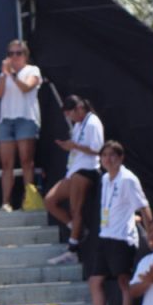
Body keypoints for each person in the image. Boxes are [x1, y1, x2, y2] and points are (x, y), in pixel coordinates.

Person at [80, 140, 149, 305]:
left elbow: (143, 206)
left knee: (123, 281)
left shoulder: (128, 179)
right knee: (95, 281)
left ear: (121, 158)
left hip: (122, 238)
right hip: (105, 236)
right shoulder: (104, 179)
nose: (108, 159)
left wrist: (152, 235)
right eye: (104, 155)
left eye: (112, 155)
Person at [45, 96, 104, 266]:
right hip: (73, 170)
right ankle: (78, 230)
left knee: (75, 209)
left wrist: (75, 146)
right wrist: (69, 146)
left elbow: (98, 150)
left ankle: (72, 250)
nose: (69, 118)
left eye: (70, 113)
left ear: (79, 109)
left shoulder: (93, 123)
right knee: (50, 200)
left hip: (87, 170)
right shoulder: (79, 124)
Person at [0, 39, 41, 212]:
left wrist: (12, 75)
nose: (14, 57)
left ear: (25, 55)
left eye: (18, 53)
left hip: (25, 118)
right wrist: (5, 75)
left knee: (26, 161)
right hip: (6, 120)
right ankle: (6, 202)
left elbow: (27, 87)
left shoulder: (32, 70)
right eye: (11, 53)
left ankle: (29, 200)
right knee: (6, 164)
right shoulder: (4, 74)